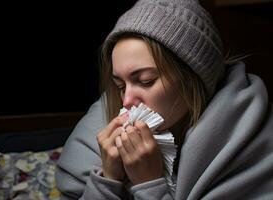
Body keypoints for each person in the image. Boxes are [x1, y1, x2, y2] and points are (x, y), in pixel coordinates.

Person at [56, 0, 273, 199]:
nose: (127, 101)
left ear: (192, 80)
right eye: (120, 85)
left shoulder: (248, 142)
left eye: (146, 80)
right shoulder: (100, 125)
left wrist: (149, 184)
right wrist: (108, 177)